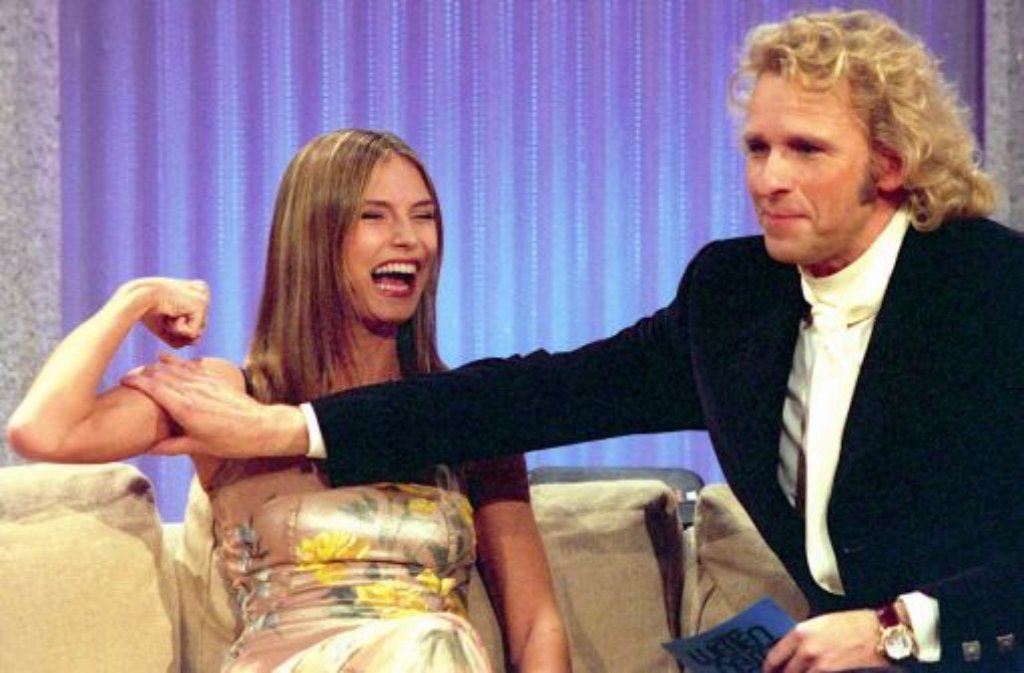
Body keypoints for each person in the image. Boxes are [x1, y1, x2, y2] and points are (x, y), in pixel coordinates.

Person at [113, 10, 1022, 673]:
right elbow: (534, 394)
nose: (768, 179)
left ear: (890, 163)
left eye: (806, 150)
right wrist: (290, 427)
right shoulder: (735, 297)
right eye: (757, 147)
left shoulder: (991, 287)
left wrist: (897, 628)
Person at [7, 129, 570, 672]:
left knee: (430, 641)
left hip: (435, 655)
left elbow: (534, 627)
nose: (409, 239)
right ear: (315, 237)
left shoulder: (465, 413)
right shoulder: (231, 402)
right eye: (374, 216)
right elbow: (44, 430)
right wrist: (134, 299)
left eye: (422, 216)